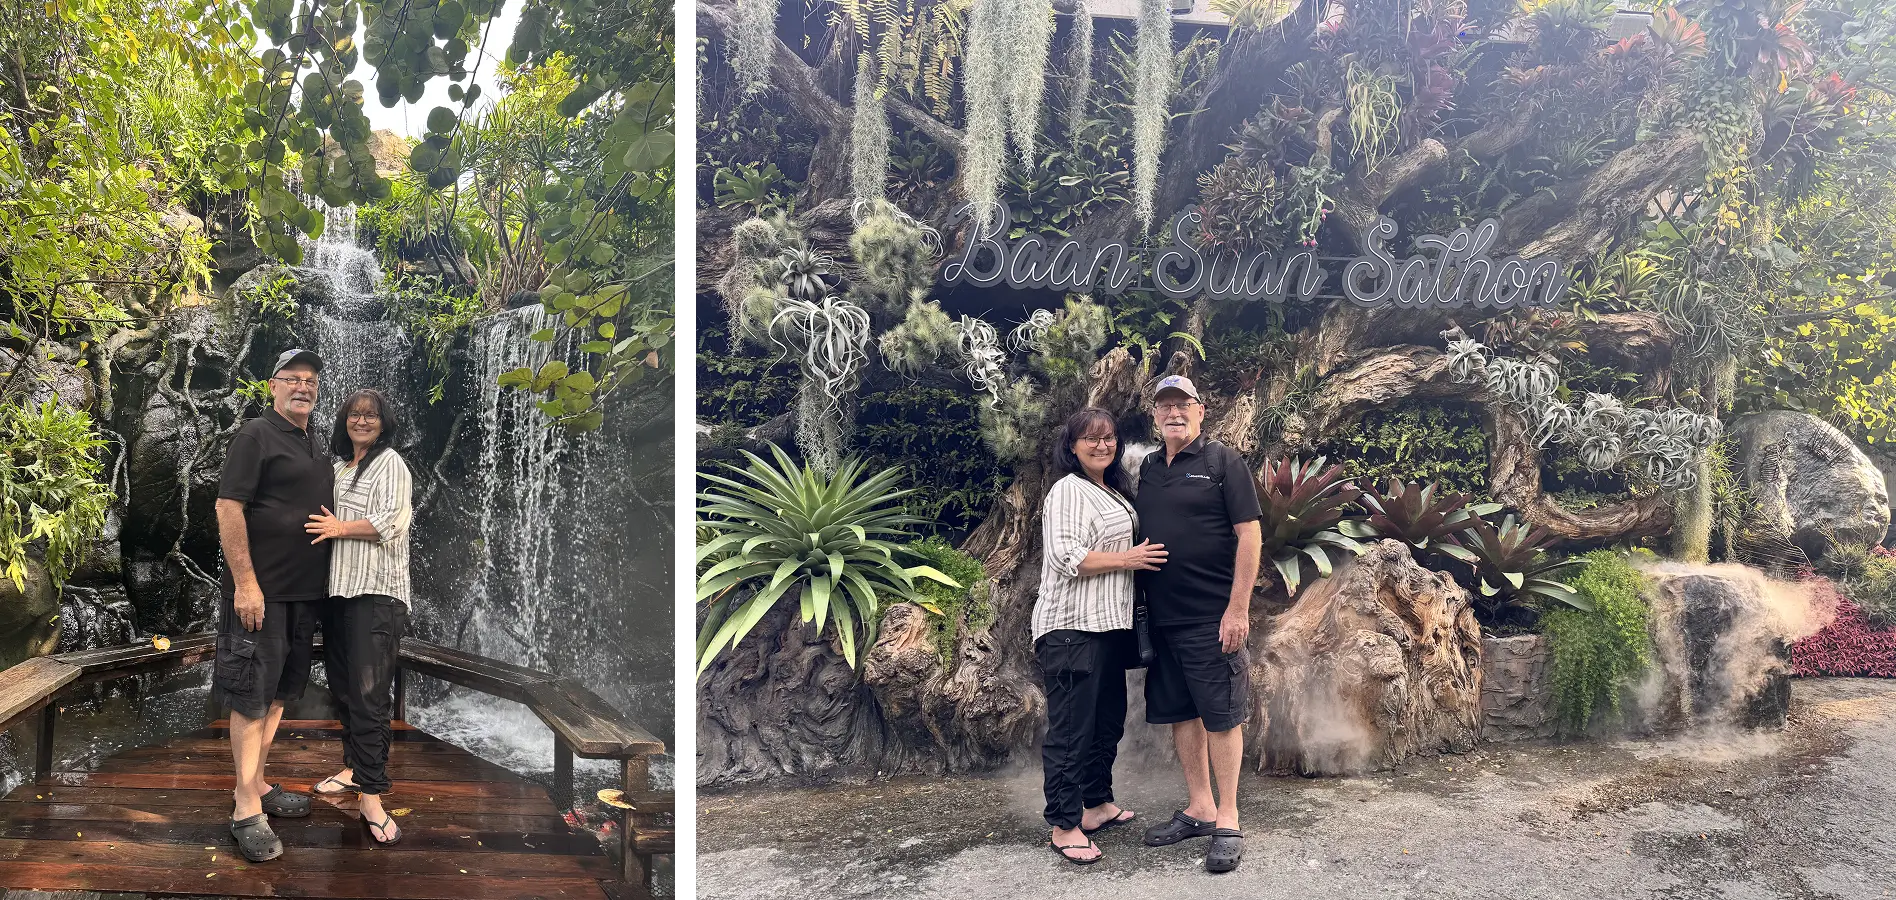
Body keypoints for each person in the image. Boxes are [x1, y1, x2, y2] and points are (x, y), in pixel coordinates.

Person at [1133, 375, 1263, 874]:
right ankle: (1200, 807)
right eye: (1165, 406)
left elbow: (1249, 538)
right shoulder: (1147, 468)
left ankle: (1228, 819)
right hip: (1160, 621)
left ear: (1200, 410)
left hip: (1212, 619)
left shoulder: (1222, 462)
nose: (1174, 413)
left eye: (1183, 404)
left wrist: (1237, 610)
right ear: (1156, 415)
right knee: (1182, 715)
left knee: (1222, 715)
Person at [1033, 407, 1169, 865]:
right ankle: (1064, 824)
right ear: (1071, 446)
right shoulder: (1069, 490)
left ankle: (1096, 805)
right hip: (1071, 629)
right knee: (1073, 729)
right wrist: (1129, 559)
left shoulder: (1108, 490)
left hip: (1109, 628)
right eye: (1090, 438)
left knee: (1107, 722)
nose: (1102, 445)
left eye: (1109, 437)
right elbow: (1066, 557)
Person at [214, 349, 333, 863]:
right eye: (292, 379)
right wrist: (245, 584)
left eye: (310, 380)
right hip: (260, 594)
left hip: (305, 595)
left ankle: (259, 783)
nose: (302, 387)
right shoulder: (254, 435)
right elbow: (228, 506)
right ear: (273, 385)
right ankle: (244, 808)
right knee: (251, 697)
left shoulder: (316, 441)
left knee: (281, 694)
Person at [304, 388, 414, 846]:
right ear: (344, 421)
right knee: (345, 689)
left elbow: (393, 521)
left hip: (377, 595)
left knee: (369, 696)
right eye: (354, 414)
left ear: (384, 423)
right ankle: (354, 768)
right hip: (339, 593)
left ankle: (372, 795)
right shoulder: (337, 467)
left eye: (371, 415)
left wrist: (339, 528)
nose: (362, 421)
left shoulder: (391, 464)